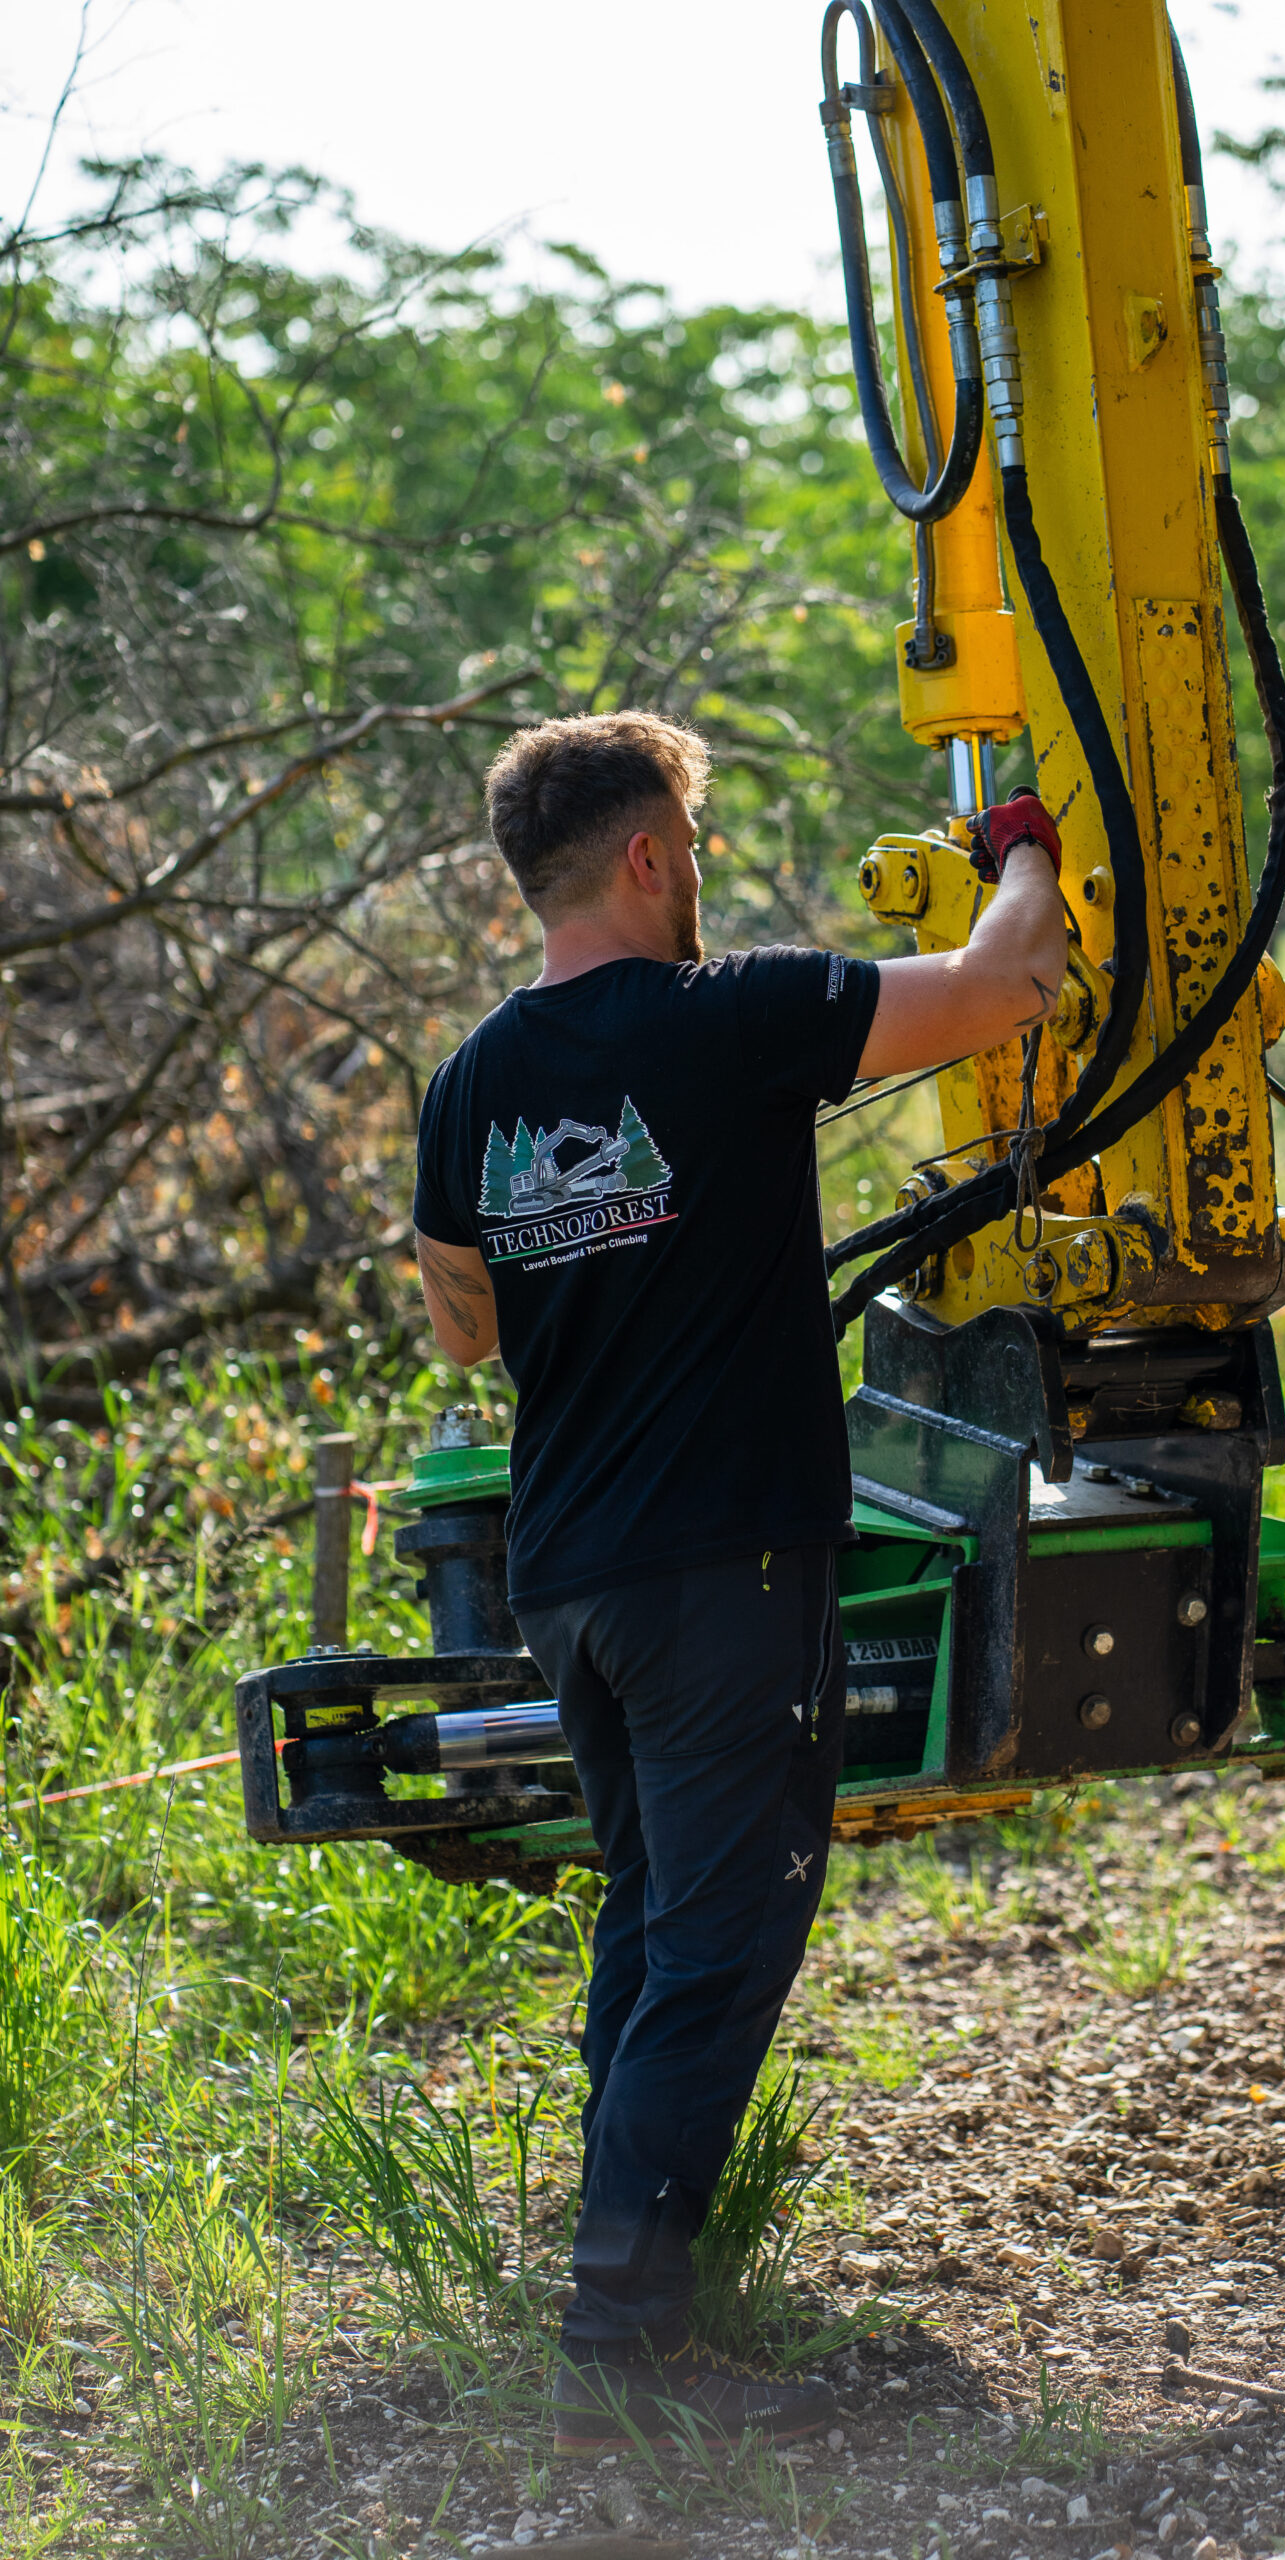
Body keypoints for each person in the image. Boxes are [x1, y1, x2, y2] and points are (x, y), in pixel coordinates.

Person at [411, 709, 1067, 2450]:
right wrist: (1023, 839)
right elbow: (1008, 986)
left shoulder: (471, 1081)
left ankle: (626, 2287)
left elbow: (465, 1319)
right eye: (687, 845)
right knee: (717, 1944)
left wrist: (586, 1270)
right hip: (722, 1573)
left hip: (575, 1575)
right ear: (644, 854)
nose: (697, 876)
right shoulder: (736, 1019)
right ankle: (616, 2353)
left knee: (649, 1922)